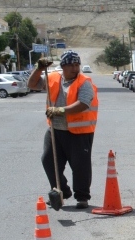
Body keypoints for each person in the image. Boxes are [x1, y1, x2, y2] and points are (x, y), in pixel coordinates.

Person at [28, 50, 99, 209]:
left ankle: (82, 197)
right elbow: (31, 84)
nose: (75, 68)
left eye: (77, 65)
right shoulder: (53, 77)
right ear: (63, 66)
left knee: (80, 166)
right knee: (48, 161)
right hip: (56, 129)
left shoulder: (84, 82)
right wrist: (39, 68)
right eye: (71, 65)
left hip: (79, 132)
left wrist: (60, 110)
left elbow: (84, 103)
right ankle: (62, 191)